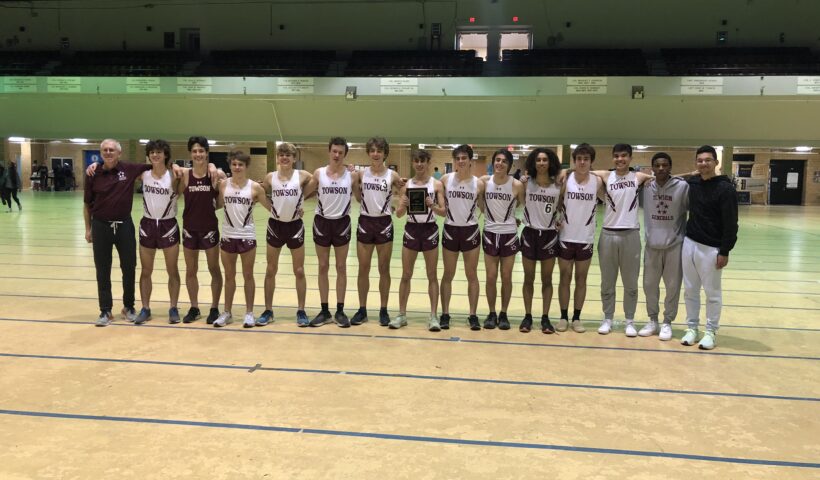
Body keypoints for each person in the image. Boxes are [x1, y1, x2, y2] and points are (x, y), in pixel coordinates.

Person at [84, 139, 153, 326]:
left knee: (129, 267)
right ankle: (105, 311)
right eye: (105, 150)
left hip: (124, 226)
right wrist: (88, 229)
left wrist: (180, 167)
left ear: (119, 153)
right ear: (100, 153)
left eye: (111, 150)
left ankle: (128, 307)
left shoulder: (129, 169)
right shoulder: (93, 173)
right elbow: (86, 204)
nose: (108, 152)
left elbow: (155, 164)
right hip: (100, 226)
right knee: (102, 269)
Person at [590, 143, 653, 336]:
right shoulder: (606, 176)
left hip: (631, 235)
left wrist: (693, 173)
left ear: (630, 158)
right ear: (612, 158)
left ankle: (630, 321)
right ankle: (607, 318)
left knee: (630, 283)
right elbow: (581, 172)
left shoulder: (639, 177)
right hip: (608, 234)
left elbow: (666, 178)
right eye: (616, 156)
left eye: (624, 156)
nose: (620, 159)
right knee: (607, 282)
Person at [680, 145, 738, 350]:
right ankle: (692, 328)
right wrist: (692, 173)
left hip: (712, 248)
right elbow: (674, 177)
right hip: (689, 244)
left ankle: (711, 331)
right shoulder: (693, 182)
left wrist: (725, 251)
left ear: (716, 162)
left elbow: (731, 224)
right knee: (690, 290)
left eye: (707, 160)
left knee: (712, 293)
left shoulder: (726, 189)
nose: (703, 164)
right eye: (700, 160)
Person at [257, 142, 315, 327]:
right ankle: (268, 310)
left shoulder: (303, 175)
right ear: (277, 158)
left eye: (288, 155)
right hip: (275, 226)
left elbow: (316, 184)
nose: (284, 158)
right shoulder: (270, 177)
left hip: (295, 226)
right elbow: (259, 193)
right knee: (270, 269)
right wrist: (270, 208)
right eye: (281, 155)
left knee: (299, 270)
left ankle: (301, 310)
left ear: (294, 158)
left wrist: (302, 201)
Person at [213, 151, 272, 328]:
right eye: (234, 164)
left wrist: (294, 208)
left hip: (247, 236)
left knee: (248, 275)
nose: (237, 167)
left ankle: (249, 313)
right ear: (230, 165)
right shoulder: (223, 185)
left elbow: (271, 208)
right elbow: (215, 205)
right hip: (228, 236)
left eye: (240, 164)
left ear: (246, 167)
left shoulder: (255, 187)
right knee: (229, 276)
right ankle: (227, 313)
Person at [306, 137, 359, 328]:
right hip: (321, 223)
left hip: (342, 223)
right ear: (329, 152)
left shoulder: (351, 176)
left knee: (341, 267)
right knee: (322, 266)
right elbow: (304, 193)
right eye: (334, 151)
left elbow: (360, 198)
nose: (337, 155)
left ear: (345, 155)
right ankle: (324, 310)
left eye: (341, 152)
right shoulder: (319, 173)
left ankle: (340, 310)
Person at [351, 137, 404, 327]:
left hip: (384, 223)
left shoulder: (392, 175)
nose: (375, 154)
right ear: (368, 152)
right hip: (365, 221)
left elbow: (405, 189)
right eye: (372, 150)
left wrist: (400, 208)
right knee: (363, 268)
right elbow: (358, 198)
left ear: (385, 153)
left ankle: (383, 309)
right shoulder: (360, 175)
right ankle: (362, 309)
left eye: (379, 150)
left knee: (384, 269)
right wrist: (355, 188)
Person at [638, 152, 689, 341]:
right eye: (657, 165)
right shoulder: (646, 187)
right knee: (649, 285)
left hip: (674, 245)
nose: (661, 168)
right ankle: (653, 320)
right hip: (651, 246)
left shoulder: (682, 187)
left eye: (665, 165)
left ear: (670, 167)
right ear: (652, 168)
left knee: (673, 286)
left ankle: (667, 321)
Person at [133, 140, 183, 325]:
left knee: (172, 270)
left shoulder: (175, 174)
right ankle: (145, 308)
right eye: (152, 152)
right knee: (146, 271)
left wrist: (176, 165)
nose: (155, 155)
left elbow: (197, 171)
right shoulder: (143, 174)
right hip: (147, 225)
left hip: (167, 224)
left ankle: (173, 307)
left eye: (159, 152)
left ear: (166, 155)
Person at [395, 149, 446, 331]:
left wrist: (431, 205)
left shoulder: (437, 185)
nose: (419, 164)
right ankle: (401, 314)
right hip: (411, 229)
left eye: (422, 161)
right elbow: (399, 214)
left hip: (430, 229)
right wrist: (403, 206)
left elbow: (443, 212)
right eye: (416, 161)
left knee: (432, 275)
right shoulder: (406, 185)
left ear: (428, 162)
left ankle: (433, 316)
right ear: (413, 163)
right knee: (406, 274)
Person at [178, 136, 225, 324]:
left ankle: (214, 308)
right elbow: (174, 190)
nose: (198, 154)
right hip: (189, 229)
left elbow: (221, 203)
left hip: (209, 229)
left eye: (201, 151)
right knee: (191, 270)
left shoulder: (215, 175)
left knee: (214, 268)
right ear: (191, 154)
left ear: (207, 153)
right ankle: (194, 307)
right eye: (195, 151)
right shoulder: (185, 175)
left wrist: (216, 170)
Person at [556, 143, 603, 333]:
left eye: (586, 159)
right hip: (566, 237)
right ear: (574, 161)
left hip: (586, 238)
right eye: (579, 159)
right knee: (564, 278)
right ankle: (563, 316)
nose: (582, 162)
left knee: (581, 279)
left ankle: (576, 317)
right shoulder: (565, 180)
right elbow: (556, 201)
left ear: (591, 162)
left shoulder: (597, 181)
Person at [440, 144, 485, 331]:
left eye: (464, 158)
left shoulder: (479, 184)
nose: (460, 161)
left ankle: (473, 315)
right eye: (457, 158)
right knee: (448, 274)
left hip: (470, 231)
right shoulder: (445, 179)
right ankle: (445, 313)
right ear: (454, 161)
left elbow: (485, 207)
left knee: (471, 274)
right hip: (451, 230)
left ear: (470, 161)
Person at [480, 149, 525, 330]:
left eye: (503, 161)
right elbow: (478, 200)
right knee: (491, 277)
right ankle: (491, 313)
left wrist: (512, 217)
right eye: (497, 160)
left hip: (509, 234)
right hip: (490, 233)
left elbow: (521, 203)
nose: (500, 164)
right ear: (493, 163)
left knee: (506, 276)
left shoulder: (516, 185)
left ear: (509, 165)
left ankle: (504, 313)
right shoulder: (484, 182)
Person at [519, 148, 562, 333]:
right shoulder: (526, 184)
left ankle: (545, 318)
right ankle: (527, 316)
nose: (542, 163)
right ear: (533, 163)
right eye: (538, 160)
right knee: (528, 278)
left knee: (547, 279)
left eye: (545, 160)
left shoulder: (558, 185)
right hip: (529, 233)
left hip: (549, 235)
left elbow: (560, 207)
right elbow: (520, 202)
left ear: (550, 162)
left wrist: (559, 220)